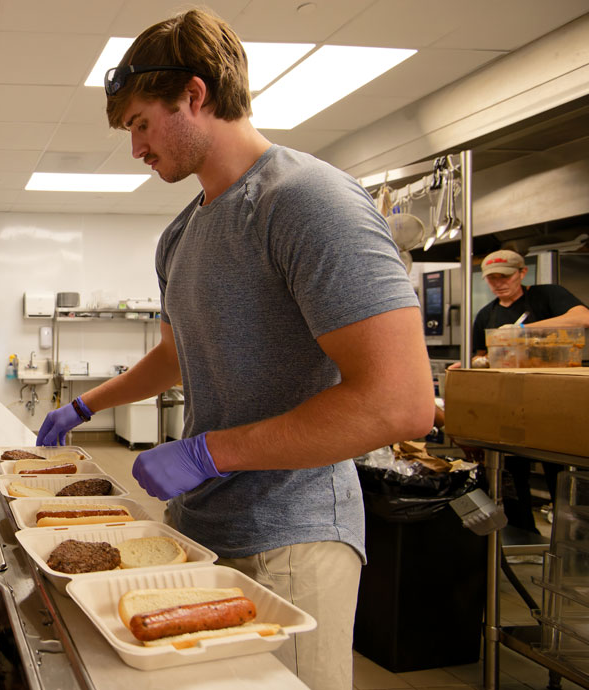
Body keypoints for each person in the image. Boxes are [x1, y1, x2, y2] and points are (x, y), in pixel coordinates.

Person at [35, 10, 434, 689]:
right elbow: (177, 353)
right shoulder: (181, 235)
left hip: (292, 535)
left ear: (194, 95)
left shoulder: (307, 202)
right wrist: (82, 405)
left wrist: (209, 451)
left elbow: (400, 405)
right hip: (199, 528)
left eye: (139, 124)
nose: (135, 149)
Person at [464, 249, 589, 531]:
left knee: (562, 476)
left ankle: (572, 541)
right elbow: (479, 355)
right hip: (509, 407)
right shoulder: (487, 314)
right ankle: (523, 535)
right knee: (512, 476)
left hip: (558, 404)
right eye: (492, 278)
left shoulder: (547, 296)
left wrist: (522, 333)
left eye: (504, 276)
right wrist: (480, 361)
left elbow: (582, 317)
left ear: (522, 273)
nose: (498, 283)